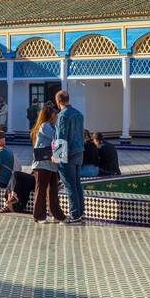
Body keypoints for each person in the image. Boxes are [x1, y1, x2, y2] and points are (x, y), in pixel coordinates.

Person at [29, 103, 67, 223]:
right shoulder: (45, 126)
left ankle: (56, 215)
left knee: (53, 191)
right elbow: (56, 138)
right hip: (42, 164)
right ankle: (38, 215)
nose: (56, 115)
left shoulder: (51, 125)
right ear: (50, 115)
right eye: (55, 113)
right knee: (41, 190)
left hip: (51, 164)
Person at [54, 90, 86, 224]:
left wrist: (57, 157)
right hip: (79, 152)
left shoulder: (63, 115)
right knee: (77, 184)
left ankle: (74, 215)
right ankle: (80, 212)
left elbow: (61, 137)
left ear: (58, 101)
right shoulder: (78, 114)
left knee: (70, 186)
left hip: (68, 154)